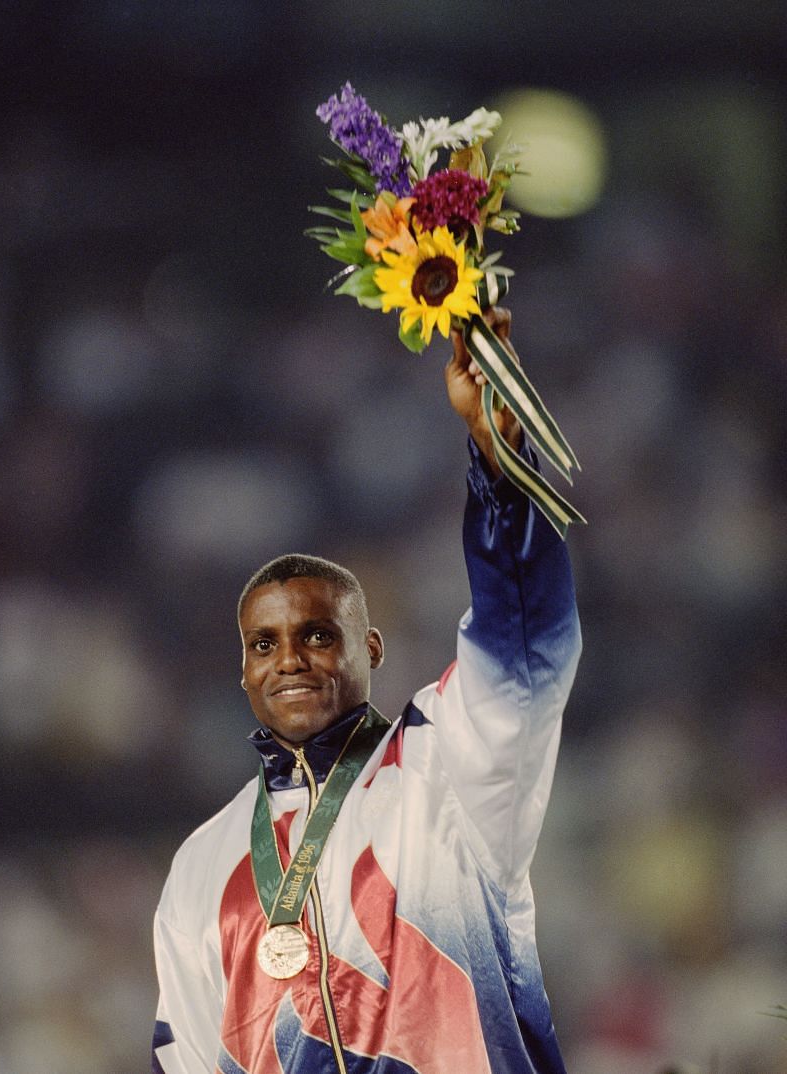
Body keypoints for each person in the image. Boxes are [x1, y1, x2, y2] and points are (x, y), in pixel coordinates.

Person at [150, 309, 582, 1074]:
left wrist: (500, 462)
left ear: (370, 647)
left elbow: (520, 646)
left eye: (318, 634)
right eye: (264, 645)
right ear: (242, 671)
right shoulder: (199, 865)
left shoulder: (443, 769)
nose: (291, 661)